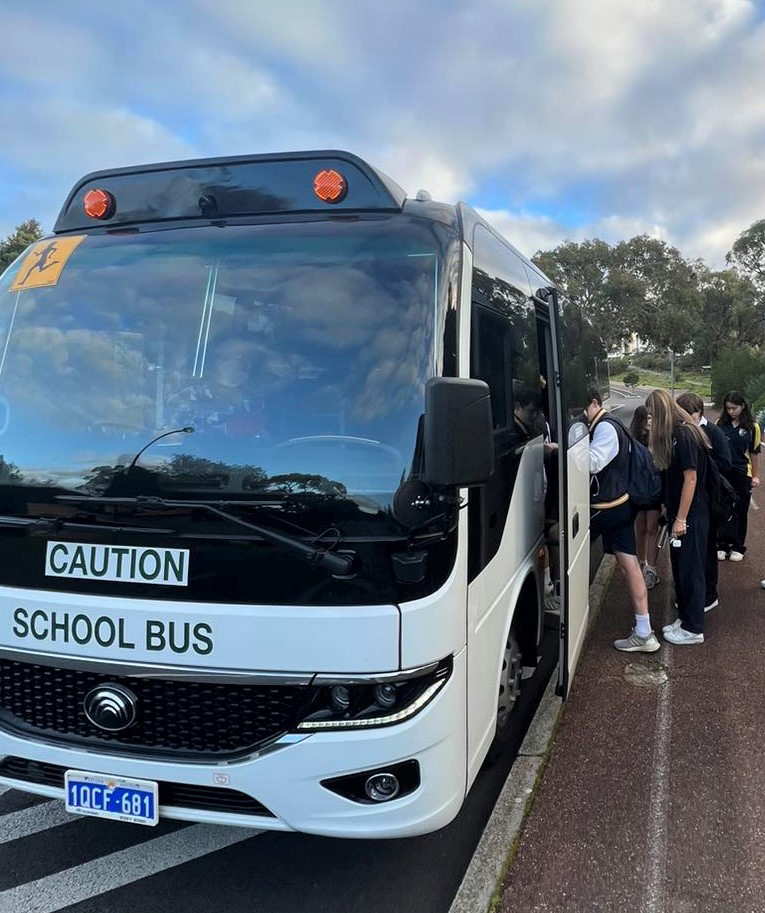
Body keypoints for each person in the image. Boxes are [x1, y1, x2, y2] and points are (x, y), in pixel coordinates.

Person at [585, 388, 659, 653]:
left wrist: (560, 451)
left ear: (595, 403)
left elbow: (593, 462)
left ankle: (559, 595)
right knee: (629, 564)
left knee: (559, 534)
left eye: (584, 409)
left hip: (607, 506)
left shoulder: (605, 428)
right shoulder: (611, 425)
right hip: (620, 504)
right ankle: (644, 631)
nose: (582, 416)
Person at [647, 389, 711, 645]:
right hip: (682, 512)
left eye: (652, 416)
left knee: (690, 570)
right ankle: (685, 618)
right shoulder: (678, 434)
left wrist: (681, 518)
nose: (649, 421)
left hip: (692, 515)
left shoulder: (684, 435)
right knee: (682, 568)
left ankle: (694, 627)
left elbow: (690, 478)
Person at [676, 391, 732, 613]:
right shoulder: (685, 431)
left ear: (697, 412)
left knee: (707, 549)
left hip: (710, 499)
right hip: (697, 498)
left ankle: (710, 594)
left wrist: (702, 468)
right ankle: (691, 595)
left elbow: (725, 463)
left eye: (685, 414)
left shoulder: (713, 432)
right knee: (694, 552)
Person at [716, 390, 760, 561]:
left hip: (742, 473)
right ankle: (722, 543)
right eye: (728, 408)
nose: (731, 412)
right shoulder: (720, 423)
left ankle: (738, 546)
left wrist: (755, 476)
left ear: (742, 407)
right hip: (723, 473)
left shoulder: (752, 427)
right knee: (722, 508)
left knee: (740, 510)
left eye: (734, 408)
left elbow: (755, 453)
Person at [629, 405, 662, 590]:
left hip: (655, 489)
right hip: (639, 489)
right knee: (640, 526)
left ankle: (651, 569)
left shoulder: (658, 439)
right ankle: (641, 564)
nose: (650, 422)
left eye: (652, 418)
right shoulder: (633, 440)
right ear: (640, 420)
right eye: (647, 418)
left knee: (652, 527)